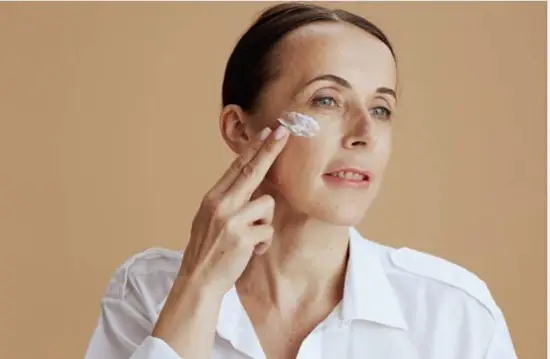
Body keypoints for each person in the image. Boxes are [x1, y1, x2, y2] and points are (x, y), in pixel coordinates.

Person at [85, 3, 518, 359]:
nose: (364, 133)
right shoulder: (147, 291)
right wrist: (199, 290)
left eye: (381, 108)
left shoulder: (453, 312)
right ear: (239, 128)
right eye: (326, 100)